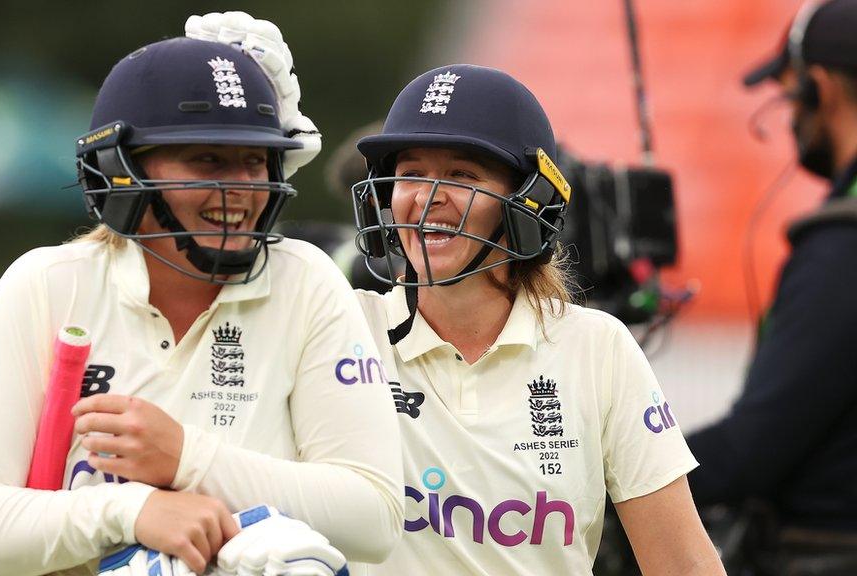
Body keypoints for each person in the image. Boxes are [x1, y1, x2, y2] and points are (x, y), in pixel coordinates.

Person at [0, 17, 402, 576]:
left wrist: (186, 457)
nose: (241, 188)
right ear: (120, 169)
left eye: (255, 160)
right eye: (207, 159)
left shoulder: (307, 281)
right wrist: (132, 510)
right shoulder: (47, 284)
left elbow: (373, 519)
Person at [349, 64, 726, 574]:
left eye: (463, 175)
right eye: (411, 173)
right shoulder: (343, 330)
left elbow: (684, 564)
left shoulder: (597, 348)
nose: (428, 197)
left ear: (529, 202)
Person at [686, 0, 857, 572]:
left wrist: (612, 477)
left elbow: (750, 452)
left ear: (819, 89)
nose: (788, 118)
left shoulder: (841, 246)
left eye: (788, 94)